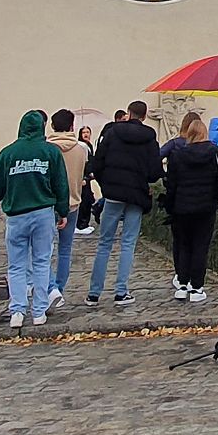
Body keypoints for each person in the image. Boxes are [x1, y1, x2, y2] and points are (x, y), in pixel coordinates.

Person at [0, 112, 69, 329]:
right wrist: (62, 211)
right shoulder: (50, 152)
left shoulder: (8, 153)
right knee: (42, 261)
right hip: (43, 211)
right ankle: (39, 311)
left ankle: (17, 310)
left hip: (16, 214)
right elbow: (60, 183)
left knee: (16, 265)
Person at [83, 102, 159, 306]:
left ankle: (94, 293)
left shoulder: (113, 132)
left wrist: (105, 185)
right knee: (128, 243)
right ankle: (121, 291)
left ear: (129, 113)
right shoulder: (150, 136)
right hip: (136, 195)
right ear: (144, 116)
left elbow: (98, 163)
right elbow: (154, 171)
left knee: (104, 243)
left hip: (113, 194)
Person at [164, 118, 218, 304]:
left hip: (182, 207)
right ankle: (197, 286)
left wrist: (170, 206)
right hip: (205, 206)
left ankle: (182, 284)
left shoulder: (177, 155)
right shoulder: (215, 153)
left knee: (183, 245)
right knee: (200, 246)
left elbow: (172, 184)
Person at [45, 111, 89, 304]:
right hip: (73, 202)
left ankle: (50, 288)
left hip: (49, 203)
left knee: (43, 250)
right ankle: (59, 287)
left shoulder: (46, 148)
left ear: (52, 126)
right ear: (72, 126)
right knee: (65, 249)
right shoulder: (82, 149)